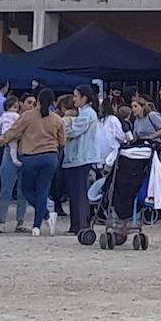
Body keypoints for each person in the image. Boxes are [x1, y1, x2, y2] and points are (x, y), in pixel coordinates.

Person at [0, 88, 66, 237]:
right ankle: (36, 226)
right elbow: (62, 141)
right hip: (51, 157)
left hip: (31, 157)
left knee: (26, 190)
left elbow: (13, 132)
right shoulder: (57, 119)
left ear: (38, 100)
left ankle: (46, 215)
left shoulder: (27, 116)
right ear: (53, 102)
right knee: (43, 190)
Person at [62, 85, 100, 237]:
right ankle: (75, 225)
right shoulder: (82, 113)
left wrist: (62, 125)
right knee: (74, 193)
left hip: (82, 158)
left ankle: (81, 225)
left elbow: (73, 131)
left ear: (84, 98)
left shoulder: (88, 114)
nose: (74, 99)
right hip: (75, 158)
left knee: (79, 193)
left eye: (76, 96)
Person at [0, 95, 28, 233]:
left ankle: (20, 221)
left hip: (23, 151)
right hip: (12, 150)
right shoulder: (15, 117)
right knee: (6, 189)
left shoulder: (24, 118)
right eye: (29, 102)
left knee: (23, 190)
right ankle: (2, 221)